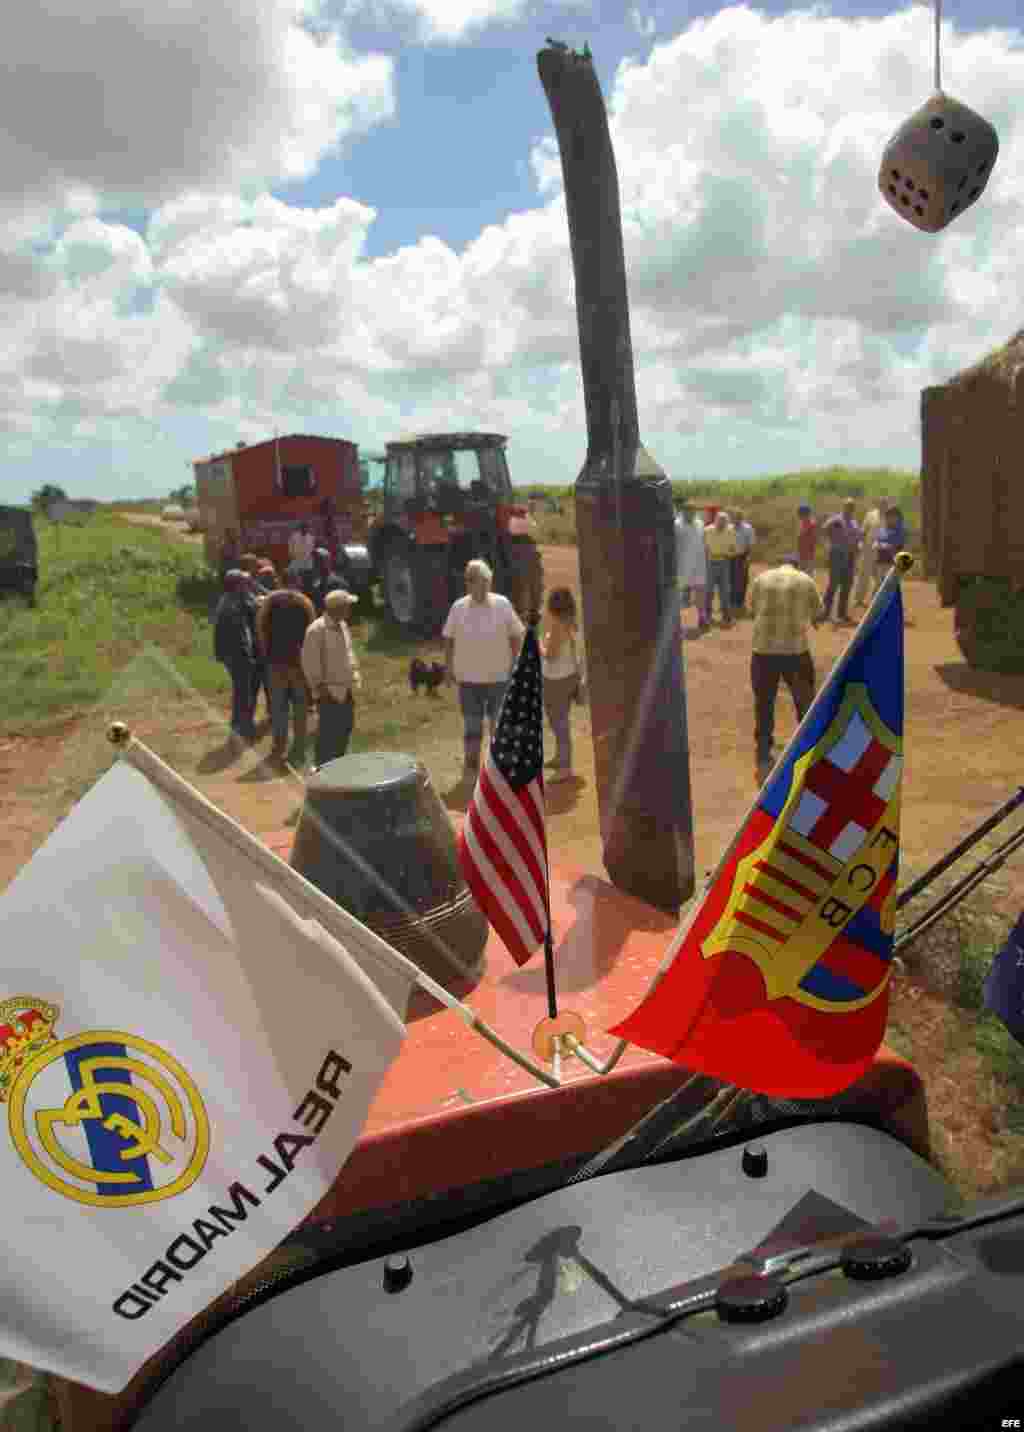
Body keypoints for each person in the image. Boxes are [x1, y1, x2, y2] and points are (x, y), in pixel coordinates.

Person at [442, 559, 525, 782]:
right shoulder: (458, 607)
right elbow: (448, 639)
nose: (480, 586)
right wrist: (448, 668)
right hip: (468, 680)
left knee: (498, 723)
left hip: (499, 677)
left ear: (489, 581)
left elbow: (516, 634)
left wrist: (517, 662)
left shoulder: (503, 604)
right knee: (472, 723)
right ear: (468, 584)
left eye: (484, 582)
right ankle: (471, 762)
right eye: (473, 582)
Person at [749, 554, 824, 786]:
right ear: (796, 566)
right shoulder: (805, 580)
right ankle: (807, 748)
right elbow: (818, 613)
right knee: (804, 701)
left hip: (763, 650)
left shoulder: (761, 579)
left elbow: (751, 607)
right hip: (795, 651)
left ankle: (763, 751)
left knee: (764, 701)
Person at [256, 571, 317, 768]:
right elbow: (312, 633)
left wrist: (267, 654)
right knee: (300, 707)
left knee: (278, 707)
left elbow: (260, 628)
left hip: (275, 663)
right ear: (297, 582)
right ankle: (298, 746)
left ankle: (279, 745)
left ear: (281, 582)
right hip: (298, 665)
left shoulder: (270, 601)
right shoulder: (305, 602)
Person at [302, 589, 362, 770]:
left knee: (344, 730)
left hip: (346, 690)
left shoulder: (342, 625)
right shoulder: (316, 630)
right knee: (327, 736)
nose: (350, 610)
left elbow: (348, 653)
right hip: (329, 693)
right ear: (338, 608)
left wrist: (354, 677)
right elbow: (309, 662)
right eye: (347, 606)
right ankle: (322, 773)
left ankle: (339, 769)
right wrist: (321, 689)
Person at [540, 587, 583, 784]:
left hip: (556, 681)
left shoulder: (558, 626)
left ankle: (565, 767)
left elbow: (550, 655)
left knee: (559, 723)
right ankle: (560, 759)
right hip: (568, 677)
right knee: (560, 721)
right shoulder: (571, 623)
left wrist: (538, 643)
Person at [213, 570, 257, 743]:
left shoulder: (228, 600)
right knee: (243, 691)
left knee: (240, 690)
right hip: (237, 655)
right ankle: (244, 727)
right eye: (242, 584)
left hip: (229, 654)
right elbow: (240, 636)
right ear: (236, 586)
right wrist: (248, 656)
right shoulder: (232, 607)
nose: (245, 586)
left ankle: (237, 724)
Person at [821, 498, 862, 627]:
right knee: (833, 584)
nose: (850, 508)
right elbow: (824, 530)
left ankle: (841, 613)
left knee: (847, 585)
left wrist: (857, 546)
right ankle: (824, 613)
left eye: (852, 506)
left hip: (850, 556)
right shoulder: (836, 519)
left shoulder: (854, 523)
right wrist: (831, 543)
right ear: (843, 507)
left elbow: (858, 537)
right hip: (837, 555)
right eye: (848, 506)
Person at [674, 498, 708, 634]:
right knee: (678, 594)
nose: (692, 514)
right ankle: (675, 623)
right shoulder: (676, 525)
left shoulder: (700, 523)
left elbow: (703, 541)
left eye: (693, 511)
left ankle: (702, 617)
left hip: (699, 563)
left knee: (700, 591)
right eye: (689, 511)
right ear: (683, 511)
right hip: (681, 563)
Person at [703, 510, 738, 627]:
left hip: (724, 561)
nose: (722, 524)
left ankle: (726, 615)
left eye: (724, 522)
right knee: (709, 589)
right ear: (716, 521)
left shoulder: (730, 530)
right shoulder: (707, 530)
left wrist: (729, 553)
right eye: (720, 522)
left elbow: (733, 547)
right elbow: (703, 547)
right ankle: (706, 615)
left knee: (725, 589)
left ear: (727, 522)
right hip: (710, 562)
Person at [854, 497, 888, 609]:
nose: (883, 505)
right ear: (878, 504)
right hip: (868, 548)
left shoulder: (889, 517)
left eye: (885, 504)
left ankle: (876, 601)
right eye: (881, 503)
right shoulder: (870, 515)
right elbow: (863, 530)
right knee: (864, 574)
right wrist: (860, 543)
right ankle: (859, 599)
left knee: (880, 576)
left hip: (882, 550)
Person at [873, 505, 908, 591]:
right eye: (888, 516)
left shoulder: (900, 530)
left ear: (898, 517)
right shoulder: (882, 529)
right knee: (879, 586)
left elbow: (898, 545)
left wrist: (886, 545)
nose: (890, 518)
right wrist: (878, 545)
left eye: (893, 516)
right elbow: (876, 542)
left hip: (893, 563)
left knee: (890, 588)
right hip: (881, 562)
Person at [730, 508, 755, 616]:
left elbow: (751, 545)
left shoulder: (748, 528)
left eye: (739, 517)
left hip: (742, 556)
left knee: (742, 579)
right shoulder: (729, 528)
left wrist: (748, 557)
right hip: (730, 556)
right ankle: (731, 602)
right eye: (735, 517)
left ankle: (740, 602)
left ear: (742, 518)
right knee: (730, 579)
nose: (736, 519)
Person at [797, 504, 818, 577]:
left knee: (807, 576)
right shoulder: (803, 523)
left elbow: (812, 540)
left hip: (808, 554)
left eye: (800, 514)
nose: (799, 516)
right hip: (803, 554)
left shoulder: (811, 524)